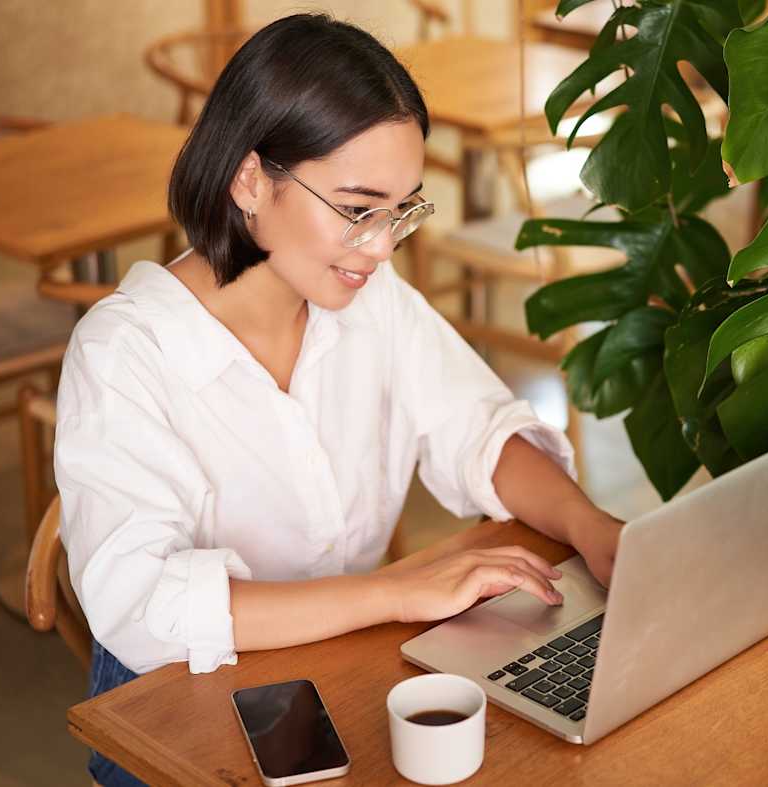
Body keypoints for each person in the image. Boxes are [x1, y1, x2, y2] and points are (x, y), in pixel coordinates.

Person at [53, 14, 623, 786]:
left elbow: (479, 429)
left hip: (331, 670)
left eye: (402, 209)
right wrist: (393, 592)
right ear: (250, 178)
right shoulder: (125, 353)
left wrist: (595, 529)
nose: (383, 246)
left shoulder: (369, 300)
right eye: (359, 209)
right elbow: (144, 605)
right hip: (175, 710)